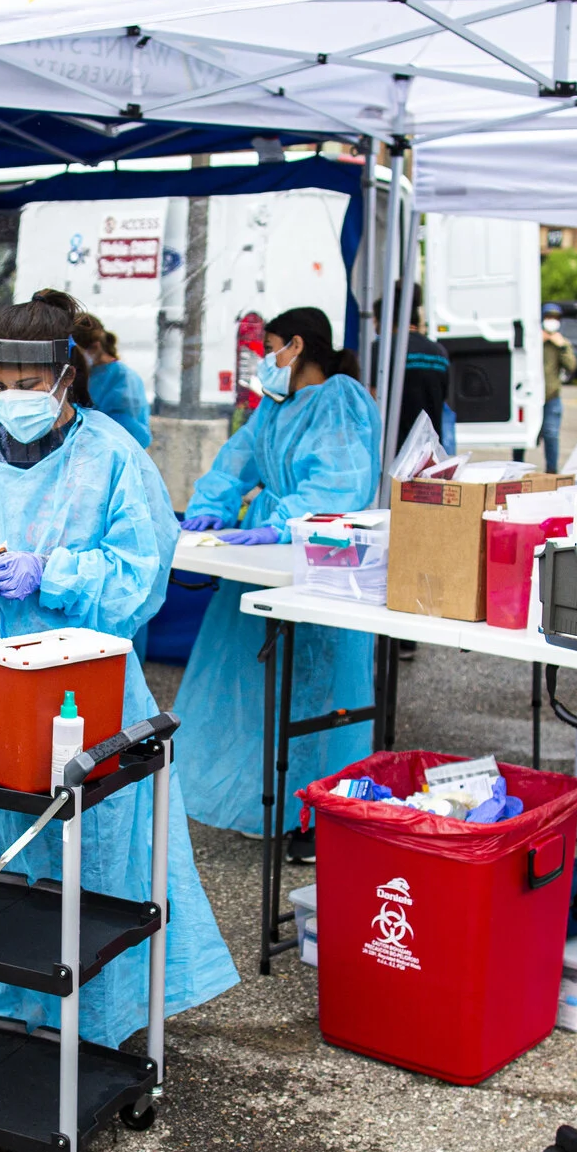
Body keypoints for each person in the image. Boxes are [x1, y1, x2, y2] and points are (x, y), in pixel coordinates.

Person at [0, 298, 237, 1045]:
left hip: (86, 692)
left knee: (95, 854)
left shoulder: (113, 457)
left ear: (63, 379)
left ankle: (96, 1021)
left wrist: (52, 572)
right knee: (5, 851)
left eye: (29, 381)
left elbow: (140, 573)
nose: (13, 397)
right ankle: (7, 1011)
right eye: (1, 381)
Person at [172, 307, 382, 847]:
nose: (266, 361)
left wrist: (278, 523)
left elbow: (339, 488)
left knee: (315, 687)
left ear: (296, 346)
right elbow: (235, 459)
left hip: (323, 563)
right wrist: (210, 507)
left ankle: (317, 815)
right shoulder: (277, 405)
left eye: (271, 349)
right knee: (257, 684)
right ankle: (267, 798)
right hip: (268, 561)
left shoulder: (340, 399)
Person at [390, 288, 453, 457]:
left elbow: (373, 395)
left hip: (395, 453)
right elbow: (445, 398)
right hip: (430, 454)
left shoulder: (385, 349)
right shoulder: (439, 352)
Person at [77, 314, 152, 447]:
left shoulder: (123, 378)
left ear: (95, 347)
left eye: (76, 354)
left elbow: (132, 434)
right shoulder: (84, 374)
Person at [539, 300, 577, 474]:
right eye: (548, 317)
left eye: (555, 318)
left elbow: (571, 366)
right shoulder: (533, 341)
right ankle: (517, 468)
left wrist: (562, 346)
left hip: (551, 396)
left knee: (551, 434)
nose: (551, 320)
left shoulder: (560, 343)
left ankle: (552, 472)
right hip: (530, 396)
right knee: (525, 437)